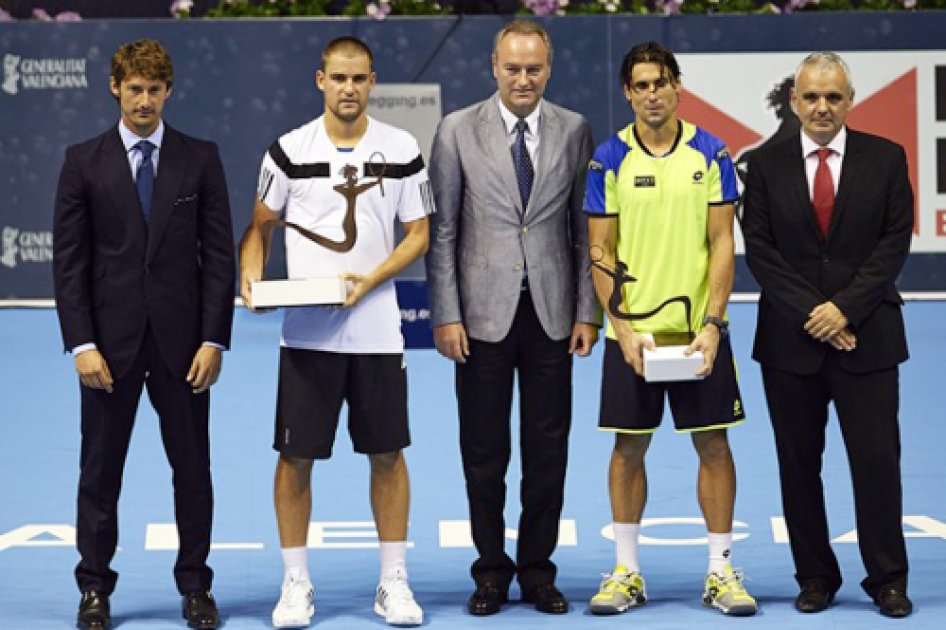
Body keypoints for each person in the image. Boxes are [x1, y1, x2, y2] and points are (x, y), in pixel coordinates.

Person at [239, 36, 432, 628]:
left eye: (359, 79)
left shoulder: (400, 147)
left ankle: (392, 582)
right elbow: (260, 228)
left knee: (387, 454)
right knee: (295, 457)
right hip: (306, 337)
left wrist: (370, 280)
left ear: (373, 81)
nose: (349, 89)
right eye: (338, 78)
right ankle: (296, 582)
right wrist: (252, 281)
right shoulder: (288, 152)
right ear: (319, 79)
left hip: (378, 335)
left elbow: (419, 234)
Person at [53, 38, 234, 630]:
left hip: (185, 350)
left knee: (193, 471)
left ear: (169, 91)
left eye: (155, 89)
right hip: (108, 348)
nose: (145, 100)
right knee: (100, 473)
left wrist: (214, 339)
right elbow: (70, 263)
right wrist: (82, 344)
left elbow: (218, 258)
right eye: (135, 88)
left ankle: (195, 586)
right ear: (115, 88)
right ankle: (94, 590)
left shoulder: (200, 158)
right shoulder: (83, 161)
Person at [426, 19, 601, 616]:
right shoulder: (455, 130)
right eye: (512, 68)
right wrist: (446, 314)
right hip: (479, 317)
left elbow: (584, 230)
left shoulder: (575, 129)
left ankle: (538, 569)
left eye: (534, 69)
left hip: (553, 316)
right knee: (484, 451)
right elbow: (443, 230)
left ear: (548, 70)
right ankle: (491, 571)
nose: (523, 79)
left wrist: (587, 310)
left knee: (548, 450)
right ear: (493, 67)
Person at [584, 41, 757, 617]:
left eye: (661, 82)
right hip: (632, 335)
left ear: (678, 87)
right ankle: (627, 572)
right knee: (628, 449)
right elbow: (601, 250)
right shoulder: (608, 160)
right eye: (640, 85)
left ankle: (720, 569)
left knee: (713, 444)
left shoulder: (713, 153)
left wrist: (712, 325)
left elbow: (721, 243)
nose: (652, 93)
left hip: (698, 334)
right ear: (627, 93)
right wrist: (624, 328)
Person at [741, 51, 913, 618]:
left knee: (876, 462)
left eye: (833, 97)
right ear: (794, 101)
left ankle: (888, 579)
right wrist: (817, 313)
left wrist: (844, 311)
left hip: (868, 336)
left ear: (850, 101)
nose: (821, 107)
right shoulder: (762, 166)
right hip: (791, 343)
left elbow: (893, 244)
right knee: (798, 464)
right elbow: (761, 252)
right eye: (811, 97)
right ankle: (814, 575)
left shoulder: (887, 159)